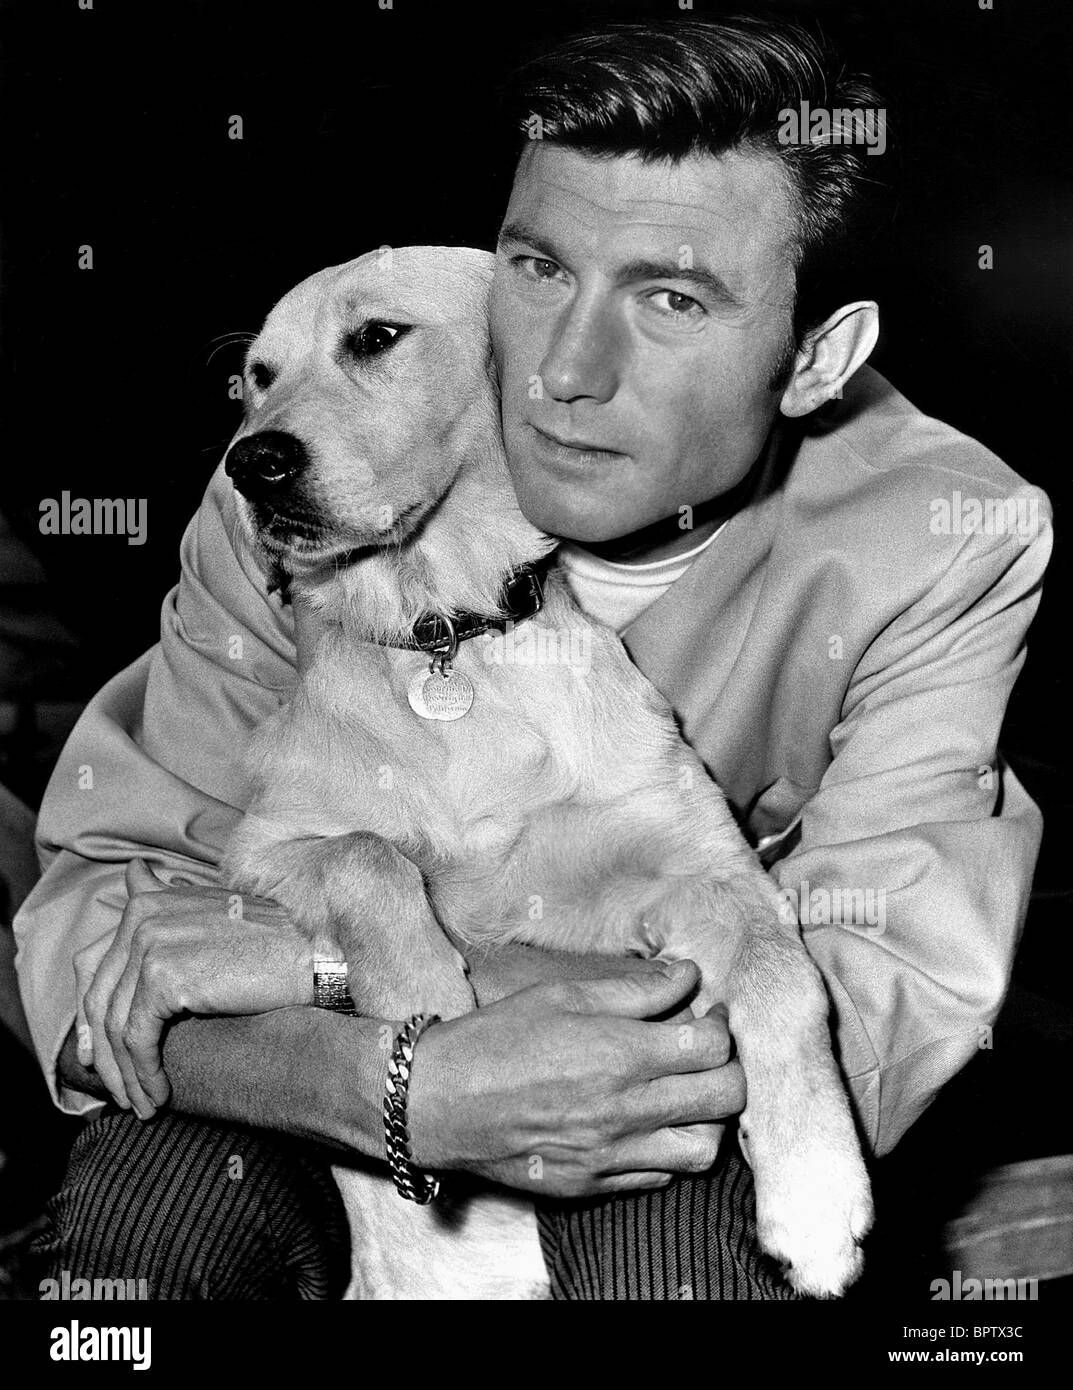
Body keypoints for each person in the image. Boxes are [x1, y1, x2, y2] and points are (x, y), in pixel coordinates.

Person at [14, 16, 1050, 1300]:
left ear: (814, 361)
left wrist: (332, 978)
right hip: (315, 1108)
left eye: (671, 298)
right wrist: (378, 1083)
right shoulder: (299, 509)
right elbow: (89, 920)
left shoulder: (939, 535)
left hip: (652, 1099)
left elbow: (884, 989)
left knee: (682, 1251)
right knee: (137, 1224)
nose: (560, 370)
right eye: (539, 269)